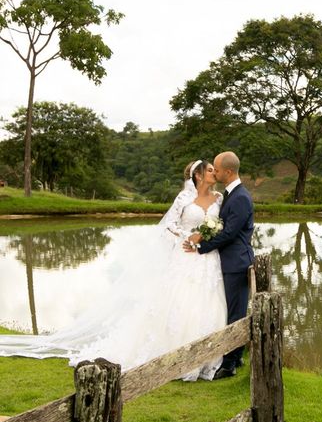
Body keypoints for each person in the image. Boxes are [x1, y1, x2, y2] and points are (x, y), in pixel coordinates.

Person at [0, 160, 227, 381]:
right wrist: (188, 236)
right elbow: (169, 224)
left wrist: (208, 236)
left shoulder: (219, 198)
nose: (213, 173)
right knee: (178, 302)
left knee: (207, 302)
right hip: (185, 254)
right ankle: (174, 355)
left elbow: (224, 225)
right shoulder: (184, 198)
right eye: (209, 170)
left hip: (209, 258)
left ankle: (207, 356)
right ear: (198, 175)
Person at [184, 151, 255, 380]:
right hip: (226, 262)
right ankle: (233, 356)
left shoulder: (241, 197)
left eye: (216, 168)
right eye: (210, 169)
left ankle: (231, 363)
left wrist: (201, 247)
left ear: (228, 171)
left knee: (236, 313)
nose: (214, 172)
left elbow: (230, 233)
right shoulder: (229, 195)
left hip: (237, 262)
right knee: (230, 311)